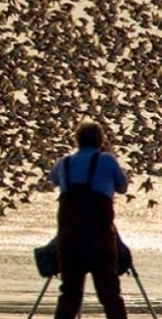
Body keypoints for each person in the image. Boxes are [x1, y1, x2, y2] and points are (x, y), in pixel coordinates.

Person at [48, 120, 129, 319]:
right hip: (99, 240)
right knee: (109, 292)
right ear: (100, 140)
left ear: (77, 140)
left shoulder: (64, 163)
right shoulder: (107, 160)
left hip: (69, 240)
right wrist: (109, 154)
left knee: (69, 294)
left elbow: (54, 180)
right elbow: (122, 187)